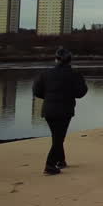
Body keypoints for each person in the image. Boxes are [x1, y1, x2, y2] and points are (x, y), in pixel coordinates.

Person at [32, 47, 88, 175]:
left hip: (49, 109)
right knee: (58, 138)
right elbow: (81, 92)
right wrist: (69, 94)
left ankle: (61, 160)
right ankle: (50, 165)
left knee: (57, 136)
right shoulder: (75, 75)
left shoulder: (45, 74)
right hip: (65, 109)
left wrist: (48, 97)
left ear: (56, 59)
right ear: (70, 61)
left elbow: (36, 91)